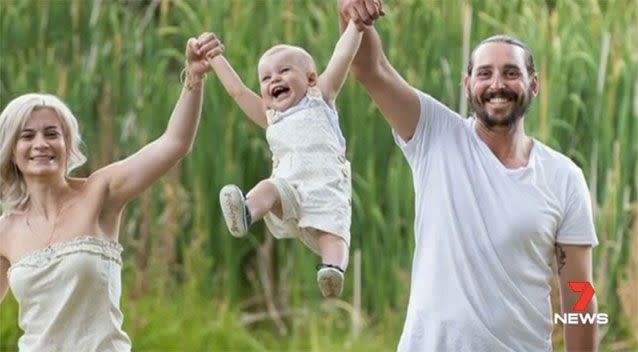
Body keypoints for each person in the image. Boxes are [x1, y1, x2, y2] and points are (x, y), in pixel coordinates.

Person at [338, 1, 599, 351]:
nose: (497, 84)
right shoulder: (435, 134)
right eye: (485, 73)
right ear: (467, 84)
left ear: (533, 84)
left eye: (511, 73)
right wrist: (350, 11)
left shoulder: (564, 177)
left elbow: (579, 292)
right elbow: (371, 69)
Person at [0, 32, 222, 350]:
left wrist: (194, 77)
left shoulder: (99, 193)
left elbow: (174, 144)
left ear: (66, 145)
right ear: (11, 150)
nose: (41, 144)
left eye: (52, 133)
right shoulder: (5, 230)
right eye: (27, 136)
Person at [210, 20, 364, 298]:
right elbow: (238, 91)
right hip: (289, 189)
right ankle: (245, 213)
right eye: (266, 78)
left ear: (311, 79)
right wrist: (215, 57)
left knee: (335, 237)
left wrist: (356, 25)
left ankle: (332, 271)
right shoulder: (270, 116)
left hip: (327, 191)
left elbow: (343, 55)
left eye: (284, 71)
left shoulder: (322, 99)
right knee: (268, 189)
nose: (275, 80)